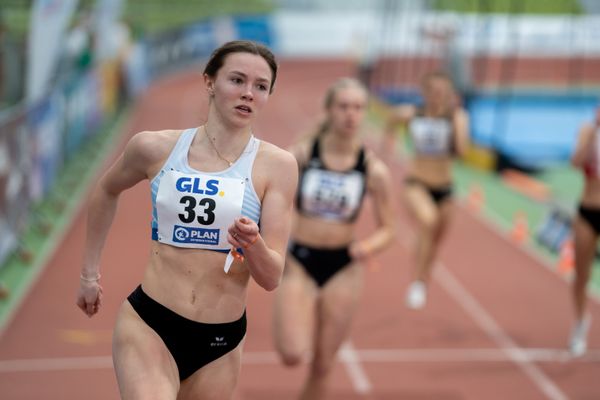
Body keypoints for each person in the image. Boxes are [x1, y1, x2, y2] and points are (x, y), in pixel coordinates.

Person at [76, 40, 298, 399]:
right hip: (151, 324)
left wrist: (252, 243)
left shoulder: (278, 167)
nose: (248, 94)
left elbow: (271, 277)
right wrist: (89, 273)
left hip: (221, 342)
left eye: (260, 86)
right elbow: (105, 190)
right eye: (237, 80)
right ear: (209, 81)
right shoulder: (155, 147)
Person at [273, 78, 396, 400]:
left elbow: (389, 229)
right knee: (292, 353)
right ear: (329, 110)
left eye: (358, 108)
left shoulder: (373, 170)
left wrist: (366, 247)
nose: (350, 115)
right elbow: (269, 193)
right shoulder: (301, 154)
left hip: (344, 264)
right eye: (343, 106)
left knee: (323, 365)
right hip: (299, 260)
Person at [383, 70, 469, 309]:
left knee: (434, 243)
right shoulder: (413, 114)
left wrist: (456, 123)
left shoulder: (456, 116)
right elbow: (391, 118)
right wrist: (389, 146)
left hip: (446, 189)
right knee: (427, 221)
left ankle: (422, 279)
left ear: (449, 94)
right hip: (417, 183)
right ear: (425, 92)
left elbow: (462, 151)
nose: (437, 96)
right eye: (432, 91)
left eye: (442, 92)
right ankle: (417, 282)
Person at [568, 106, 600, 356]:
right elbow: (576, 163)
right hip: (588, 210)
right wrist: (594, 133)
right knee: (581, 274)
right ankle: (580, 322)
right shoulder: (587, 131)